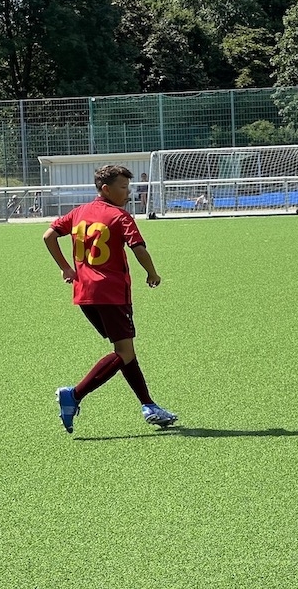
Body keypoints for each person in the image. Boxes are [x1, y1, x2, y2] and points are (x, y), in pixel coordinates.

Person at [43, 164, 177, 434]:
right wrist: (152, 273)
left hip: (85, 294)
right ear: (106, 189)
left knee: (124, 350)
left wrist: (66, 268)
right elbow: (139, 249)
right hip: (112, 293)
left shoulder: (79, 212)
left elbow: (49, 236)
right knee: (124, 352)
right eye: (123, 187)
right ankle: (74, 394)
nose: (128, 192)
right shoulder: (119, 216)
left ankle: (148, 405)